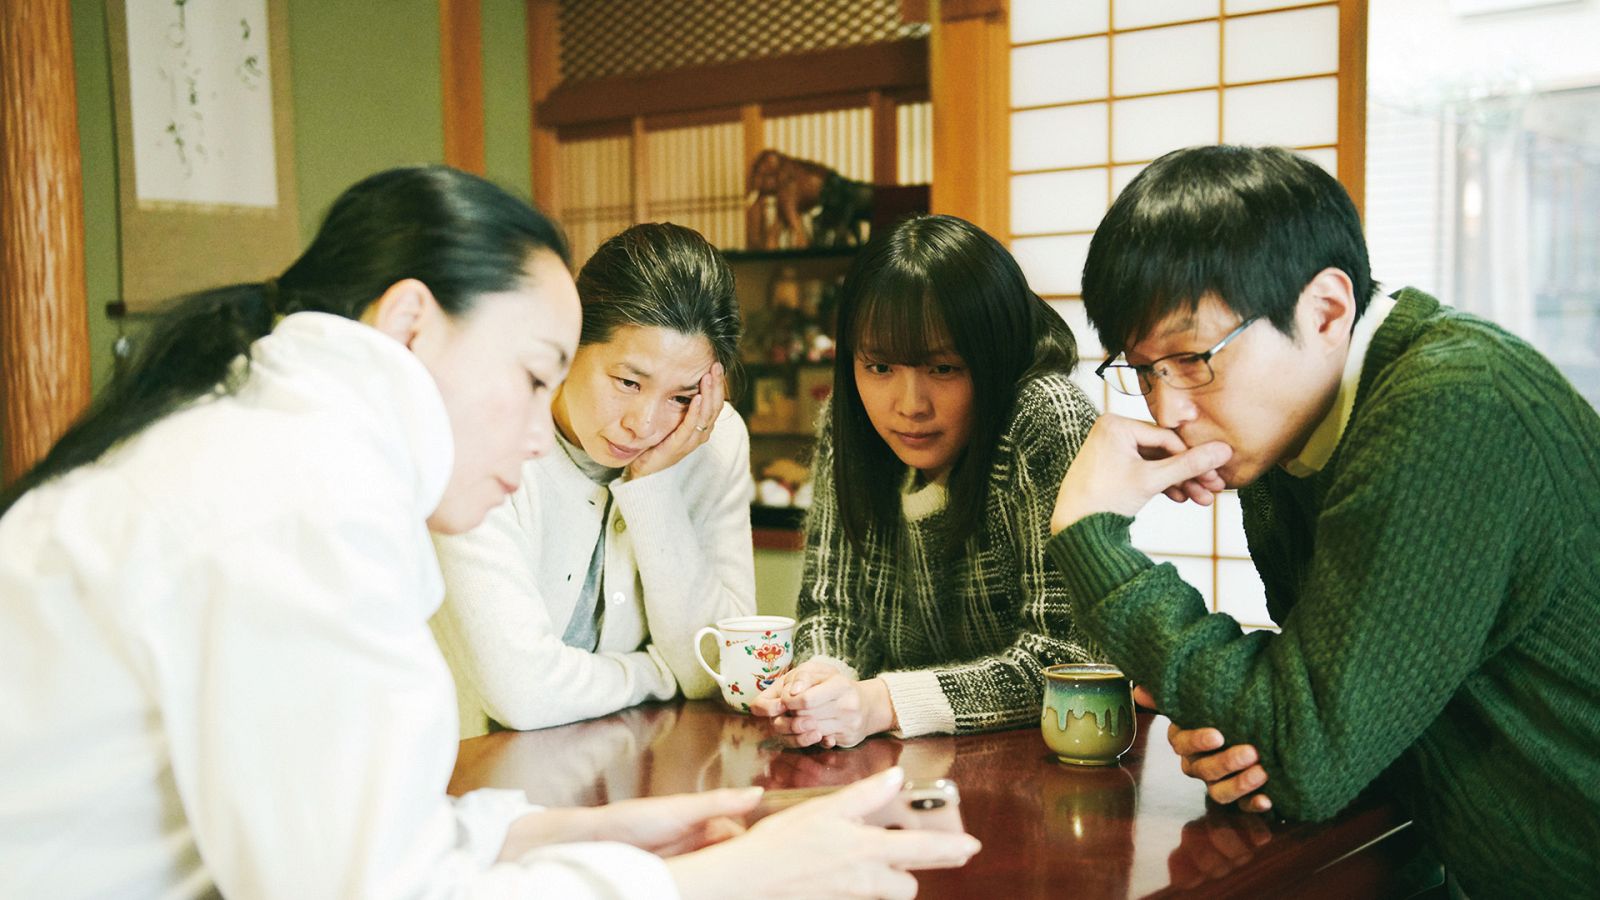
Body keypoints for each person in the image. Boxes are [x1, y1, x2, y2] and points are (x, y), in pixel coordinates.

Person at [0, 166, 979, 899]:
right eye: (533, 374)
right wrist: (728, 879)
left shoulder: (270, 447)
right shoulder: (295, 491)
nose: (541, 422)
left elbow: (355, 848)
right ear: (411, 324)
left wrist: (607, 833)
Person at [1045, 144, 1600, 898]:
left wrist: (1090, 535)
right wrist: (1249, 714)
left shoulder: (1453, 407)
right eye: (1144, 370)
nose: (1168, 408)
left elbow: (1304, 754)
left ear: (1327, 310)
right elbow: (1317, 722)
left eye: (1192, 358)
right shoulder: (1293, 443)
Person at [750, 214, 1102, 748]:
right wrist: (821, 679)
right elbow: (833, 609)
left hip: (1043, 766)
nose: (909, 406)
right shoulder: (848, 429)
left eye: (943, 368)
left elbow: (1069, 658)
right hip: (899, 768)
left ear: (993, 357)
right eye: (879, 367)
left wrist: (881, 702)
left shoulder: (1042, 418)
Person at [430, 222, 754, 736]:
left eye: (682, 396)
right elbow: (523, 694)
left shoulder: (713, 439)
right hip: (466, 769)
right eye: (628, 382)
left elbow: (718, 665)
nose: (644, 424)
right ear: (573, 338)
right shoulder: (486, 437)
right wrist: (654, 673)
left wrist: (653, 486)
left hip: (643, 767)